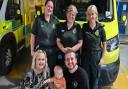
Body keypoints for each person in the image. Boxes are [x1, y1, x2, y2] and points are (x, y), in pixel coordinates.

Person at [81, 5, 107, 89]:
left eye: (93, 14)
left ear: (96, 15)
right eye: (89, 14)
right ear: (87, 16)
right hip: (85, 58)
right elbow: (81, 44)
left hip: (96, 59)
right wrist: (80, 57)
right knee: (85, 81)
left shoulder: (101, 28)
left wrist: (102, 58)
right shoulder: (84, 27)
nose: (91, 16)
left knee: (95, 83)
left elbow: (104, 44)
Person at [30, 0, 59, 75]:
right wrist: (32, 51)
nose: (49, 9)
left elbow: (59, 37)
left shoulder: (56, 20)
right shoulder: (38, 19)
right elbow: (33, 36)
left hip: (52, 52)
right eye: (48, 6)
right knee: (40, 73)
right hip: (41, 51)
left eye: (51, 7)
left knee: (51, 72)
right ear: (45, 7)